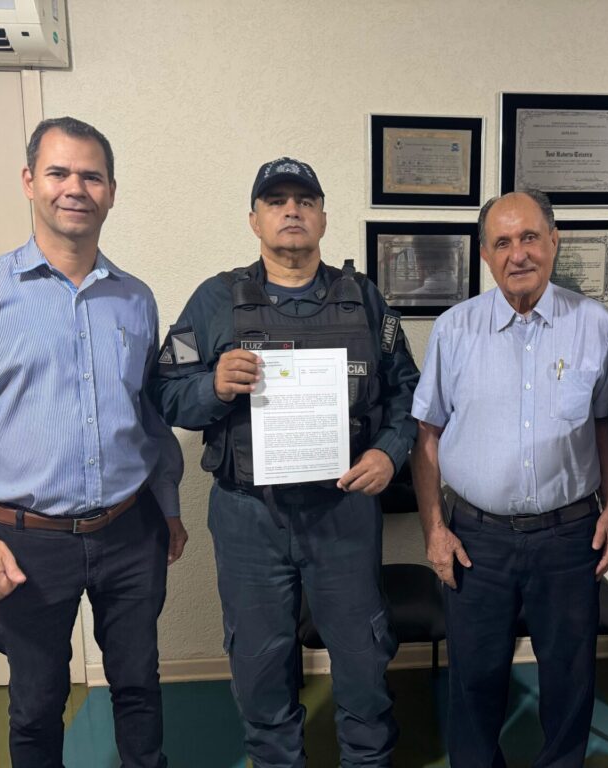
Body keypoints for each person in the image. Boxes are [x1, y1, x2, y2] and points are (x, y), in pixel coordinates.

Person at [0, 116, 187, 768]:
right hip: (26, 541)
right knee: (36, 705)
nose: (75, 188)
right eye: (59, 172)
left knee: (140, 690)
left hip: (131, 531)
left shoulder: (135, 299)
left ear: (111, 191)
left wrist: (169, 507)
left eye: (91, 176)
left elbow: (147, 417)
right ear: (29, 181)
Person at [149, 157, 419, 766]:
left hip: (343, 511)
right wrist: (213, 386)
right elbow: (165, 393)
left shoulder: (364, 299)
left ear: (323, 217)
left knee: (362, 661)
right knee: (259, 663)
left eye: (304, 200)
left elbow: (408, 390)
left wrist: (389, 451)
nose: (291, 210)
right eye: (276, 201)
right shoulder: (215, 300)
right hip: (250, 516)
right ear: (255, 220)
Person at [410, 189, 608, 767]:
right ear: (485, 254)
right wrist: (434, 529)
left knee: (570, 681)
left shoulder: (595, 326)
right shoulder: (454, 330)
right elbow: (425, 436)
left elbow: (605, 424)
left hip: (569, 537)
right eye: (502, 242)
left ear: (554, 241)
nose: (518, 253)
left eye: (529, 237)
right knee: (474, 682)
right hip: (476, 540)